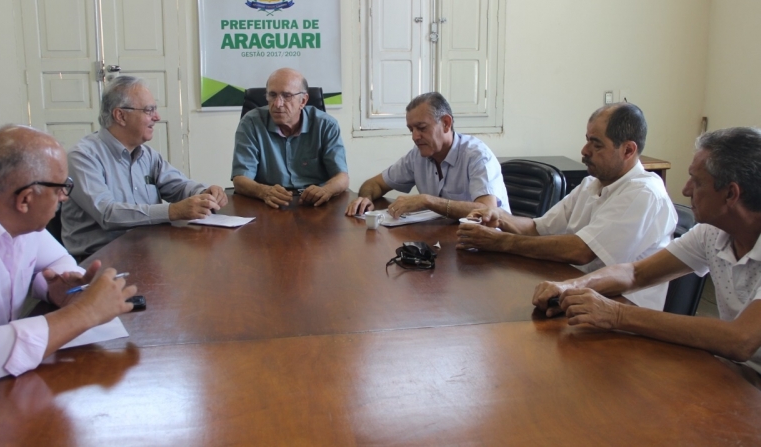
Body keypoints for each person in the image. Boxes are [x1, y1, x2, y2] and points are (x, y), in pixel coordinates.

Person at [533, 127, 761, 385]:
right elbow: (635, 273)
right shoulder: (711, 233)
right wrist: (570, 287)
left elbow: (741, 340)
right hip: (736, 373)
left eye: (696, 182)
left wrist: (617, 315)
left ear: (731, 194)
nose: (685, 190)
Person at [0, 125, 137, 390]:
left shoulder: (11, 215)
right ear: (26, 199)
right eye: (61, 188)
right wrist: (84, 312)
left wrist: (58, 289)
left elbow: (58, 262)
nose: (65, 198)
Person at [458, 103, 676, 309]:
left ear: (628, 150)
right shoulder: (591, 184)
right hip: (577, 294)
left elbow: (580, 251)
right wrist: (498, 216)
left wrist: (501, 242)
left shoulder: (643, 194)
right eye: (587, 140)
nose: (585, 150)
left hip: (621, 312)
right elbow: (537, 229)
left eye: (596, 144)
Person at [62, 76, 227, 258]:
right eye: (149, 110)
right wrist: (173, 211)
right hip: (99, 261)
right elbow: (108, 214)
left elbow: (178, 186)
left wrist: (204, 193)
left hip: (147, 252)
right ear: (121, 116)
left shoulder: (147, 155)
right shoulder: (83, 157)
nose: (157, 117)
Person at [345, 92, 510, 219]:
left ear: (446, 123)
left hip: (491, 248)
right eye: (411, 130)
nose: (415, 137)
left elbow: (486, 211)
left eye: (422, 128)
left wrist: (427, 201)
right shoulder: (417, 156)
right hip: (445, 241)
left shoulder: (477, 156)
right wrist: (365, 198)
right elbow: (375, 184)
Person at [232, 68, 349, 208]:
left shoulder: (326, 125)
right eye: (272, 95)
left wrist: (325, 190)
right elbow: (240, 179)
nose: (277, 104)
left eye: (286, 96)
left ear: (303, 101)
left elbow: (342, 177)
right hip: (269, 203)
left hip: (314, 205)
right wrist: (264, 191)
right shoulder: (251, 123)